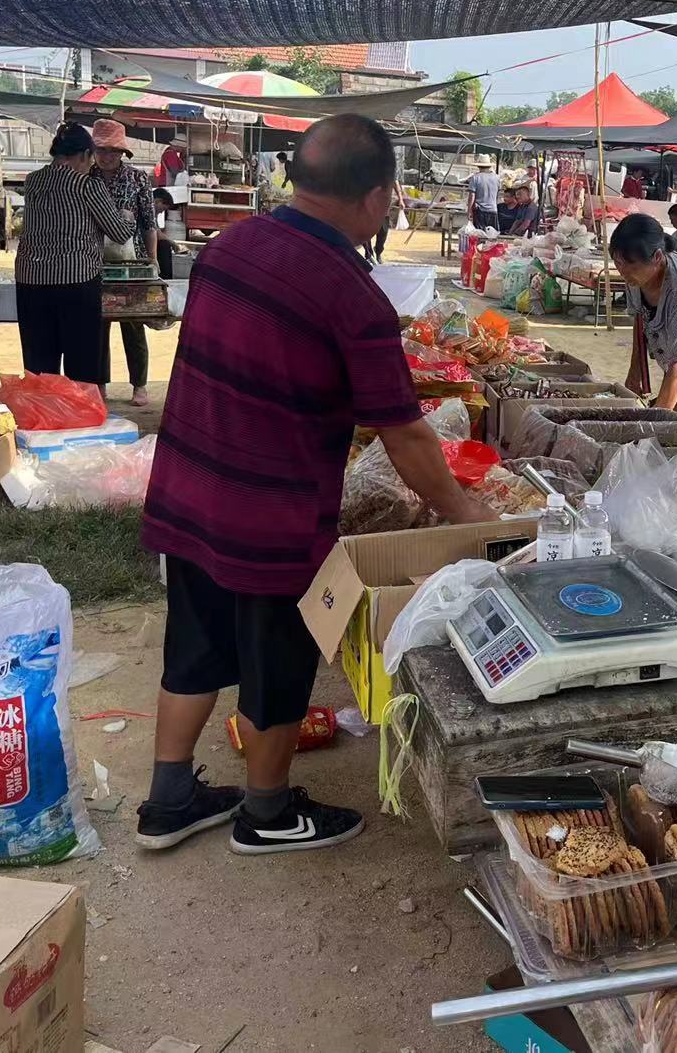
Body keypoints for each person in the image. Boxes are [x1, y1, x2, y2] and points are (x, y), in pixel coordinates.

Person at [139, 114, 495, 856]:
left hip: (189, 489)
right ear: (378, 197)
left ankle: (168, 800)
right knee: (277, 666)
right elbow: (404, 434)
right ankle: (266, 814)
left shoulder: (228, 246)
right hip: (272, 517)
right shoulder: (351, 293)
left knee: (194, 643)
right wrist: (466, 513)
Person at [16, 123, 136, 383]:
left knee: (40, 365)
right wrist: (127, 217)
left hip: (31, 280)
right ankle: (78, 409)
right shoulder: (87, 185)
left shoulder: (33, 181)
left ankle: (45, 408)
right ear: (84, 155)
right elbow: (119, 232)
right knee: (81, 365)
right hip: (75, 281)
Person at [89, 119, 158, 407]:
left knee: (134, 323)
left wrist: (152, 261)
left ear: (122, 153)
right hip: (92, 261)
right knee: (97, 325)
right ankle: (99, 384)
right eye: (102, 150)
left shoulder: (138, 178)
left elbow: (149, 224)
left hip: (133, 261)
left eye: (113, 151)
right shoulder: (85, 176)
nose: (107, 156)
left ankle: (139, 385)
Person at [611, 214, 677, 413]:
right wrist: (636, 371)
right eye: (618, 263)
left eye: (629, 265)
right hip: (673, 360)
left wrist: (652, 424)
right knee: (663, 411)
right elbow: (640, 319)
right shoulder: (634, 276)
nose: (622, 272)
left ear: (657, 257)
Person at [467, 157, 501, 230]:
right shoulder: (497, 178)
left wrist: (469, 210)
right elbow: (497, 194)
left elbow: (472, 196)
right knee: (492, 233)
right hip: (493, 210)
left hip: (480, 210)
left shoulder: (475, 178)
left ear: (478, 166)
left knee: (480, 233)